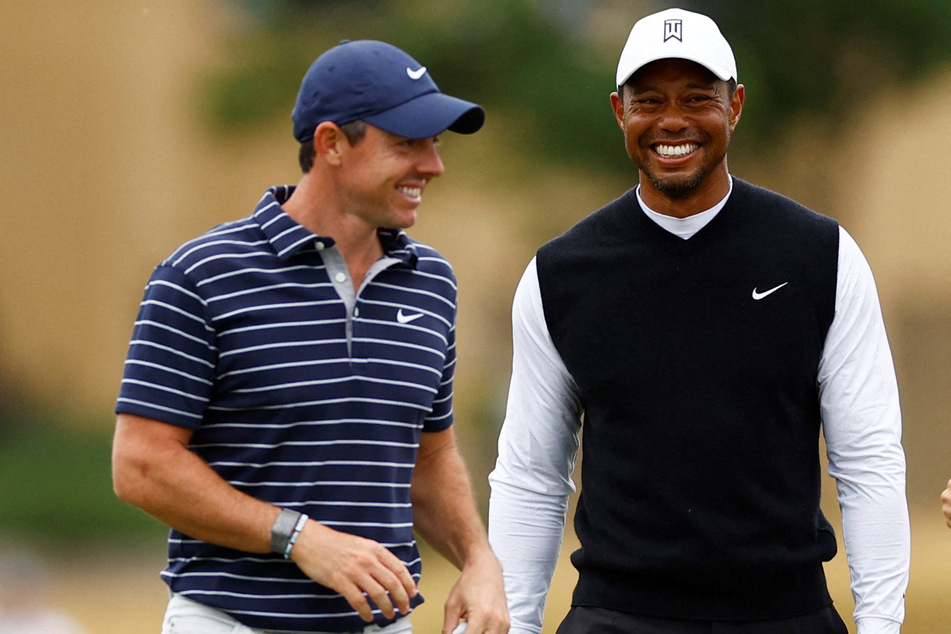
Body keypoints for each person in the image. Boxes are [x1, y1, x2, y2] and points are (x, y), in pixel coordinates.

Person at [488, 8, 909, 634]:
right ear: (618, 112)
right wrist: (515, 624)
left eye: (698, 98)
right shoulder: (560, 273)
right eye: (649, 100)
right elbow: (532, 476)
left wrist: (881, 624)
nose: (673, 121)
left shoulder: (821, 256)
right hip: (617, 617)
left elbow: (868, 458)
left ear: (735, 106)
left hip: (784, 614)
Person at [112, 39, 508, 634]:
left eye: (436, 144)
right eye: (407, 143)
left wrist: (478, 562)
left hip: (381, 624)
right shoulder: (201, 275)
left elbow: (431, 454)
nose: (433, 165)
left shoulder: (432, 284)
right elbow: (141, 465)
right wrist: (299, 538)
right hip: (231, 621)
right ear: (331, 145)